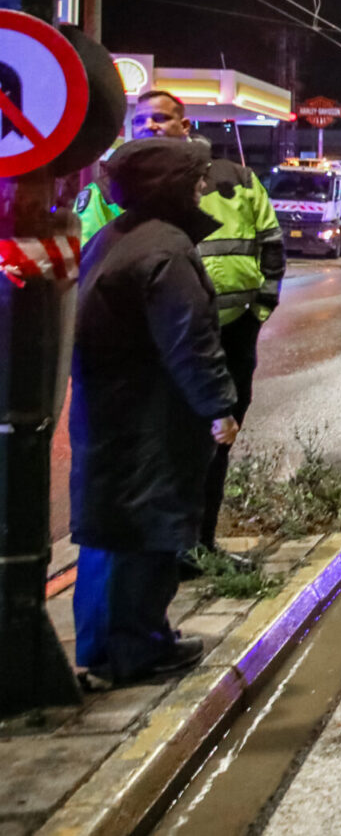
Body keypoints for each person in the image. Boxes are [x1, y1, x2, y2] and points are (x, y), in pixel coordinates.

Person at [77, 90, 285, 563]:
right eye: (143, 119)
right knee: (163, 449)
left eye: (162, 118)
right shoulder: (112, 190)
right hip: (158, 345)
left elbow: (271, 243)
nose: (152, 126)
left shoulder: (238, 180)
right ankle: (163, 559)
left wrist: (258, 312)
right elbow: (92, 265)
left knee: (207, 449)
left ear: (184, 124)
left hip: (228, 334)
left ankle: (195, 545)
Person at [69, 138, 241, 685]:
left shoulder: (115, 238)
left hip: (110, 410)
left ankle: (105, 645)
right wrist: (219, 407)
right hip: (149, 415)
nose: (204, 188)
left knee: (109, 530)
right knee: (147, 529)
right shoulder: (166, 250)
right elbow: (190, 340)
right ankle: (137, 648)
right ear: (170, 186)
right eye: (195, 178)